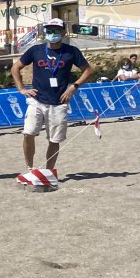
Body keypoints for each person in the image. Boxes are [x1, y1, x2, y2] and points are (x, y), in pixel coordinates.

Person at [11, 18, 95, 173]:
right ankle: (30, 168)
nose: (52, 33)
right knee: (28, 133)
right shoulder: (35, 50)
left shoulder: (71, 51)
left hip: (59, 102)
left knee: (54, 139)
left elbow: (88, 70)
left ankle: (49, 171)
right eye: (49, 30)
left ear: (63, 33)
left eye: (56, 30)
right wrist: (22, 89)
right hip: (36, 100)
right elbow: (15, 68)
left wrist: (73, 87)